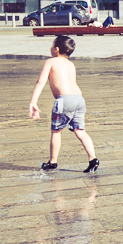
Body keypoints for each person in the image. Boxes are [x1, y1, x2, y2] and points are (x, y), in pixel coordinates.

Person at [28, 36, 98, 173]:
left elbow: (40, 82)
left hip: (64, 100)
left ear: (56, 49)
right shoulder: (71, 64)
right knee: (80, 130)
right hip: (79, 99)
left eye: (52, 44)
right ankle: (93, 159)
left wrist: (33, 102)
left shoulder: (50, 61)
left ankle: (53, 162)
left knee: (56, 131)